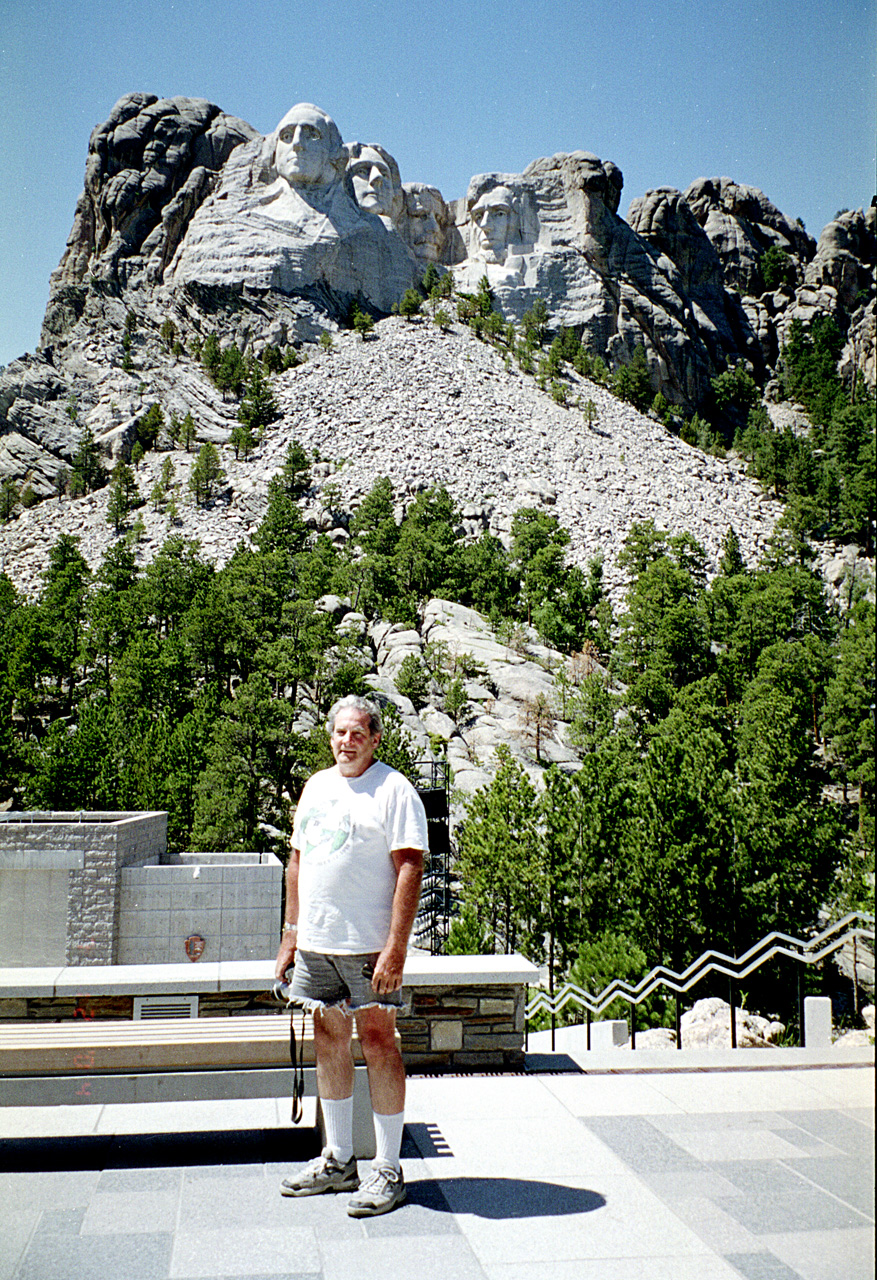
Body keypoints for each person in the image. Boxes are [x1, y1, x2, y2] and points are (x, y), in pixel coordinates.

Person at [274, 694, 428, 1217]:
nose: (347, 741)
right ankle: (338, 1159)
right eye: (340, 732)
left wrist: (396, 949)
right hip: (318, 944)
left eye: (358, 733)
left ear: (375, 738)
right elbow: (297, 863)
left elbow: (410, 867)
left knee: (381, 1043)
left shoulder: (394, 790)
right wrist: (291, 934)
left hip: (368, 947)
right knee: (328, 1039)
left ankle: (387, 1167)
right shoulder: (316, 786)